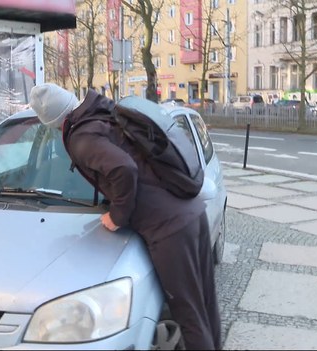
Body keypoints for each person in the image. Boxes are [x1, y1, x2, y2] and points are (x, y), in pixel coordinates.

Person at [29, 83, 221, 350]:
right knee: (205, 303)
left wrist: (117, 216)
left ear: (50, 121)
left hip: (169, 229)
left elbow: (123, 168)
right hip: (190, 211)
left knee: (188, 313)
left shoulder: (82, 138)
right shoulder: (103, 114)